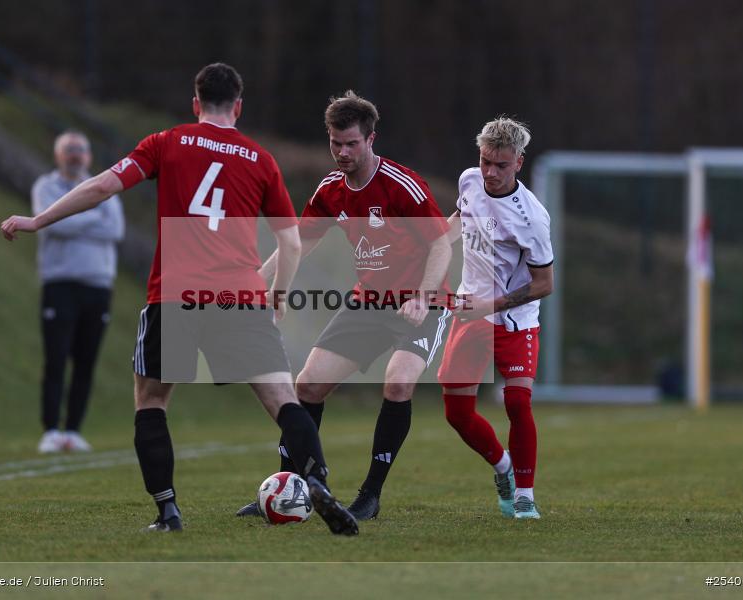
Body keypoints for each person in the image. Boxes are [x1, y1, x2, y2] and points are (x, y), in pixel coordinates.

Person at [1, 63, 358, 535]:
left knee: (151, 401)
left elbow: (103, 185)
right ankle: (316, 480)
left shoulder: (166, 142)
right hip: (240, 298)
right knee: (281, 398)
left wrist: (37, 220)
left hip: (175, 296)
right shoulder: (260, 159)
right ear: (238, 107)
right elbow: (291, 244)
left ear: (195, 104)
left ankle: (168, 512)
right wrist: (277, 296)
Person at [237, 91, 452, 521]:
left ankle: (370, 494)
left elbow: (442, 245)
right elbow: (297, 245)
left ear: (372, 139)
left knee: (398, 383)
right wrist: (250, 287)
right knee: (308, 385)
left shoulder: (401, 185)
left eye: (351, 143)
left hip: (421, 301)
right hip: (368, 301)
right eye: (336, 143)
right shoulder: (331, 190)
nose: (342, 152)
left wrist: (423, 296)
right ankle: (288, 489)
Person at [436, 117, 554, 520]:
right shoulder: (469, 180)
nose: (490, 172)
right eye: (485, 161)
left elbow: (544, 284)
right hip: (470, 312)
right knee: (456, 413)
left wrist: (487, 308)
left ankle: (524, 494)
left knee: (517, 402)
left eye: (501, 165)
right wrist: (437, 240)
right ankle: (502, 467)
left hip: (514, 318)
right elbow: (462, 217)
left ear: (519, 162)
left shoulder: (532, 218)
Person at [31, 130, 125, 454]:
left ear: (89, 156)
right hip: (60, 284)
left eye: (81, 150)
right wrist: (89, 213)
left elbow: (115, 229)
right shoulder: (46, 187)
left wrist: (73, 215)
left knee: (86, 361)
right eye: (69, 150)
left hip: (98, 285)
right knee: (56, 358)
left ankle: (73, 430)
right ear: (58, 154)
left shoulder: (106, 187)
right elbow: (53, 224)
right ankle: (50, 431)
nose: (75, 155)